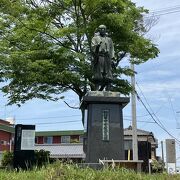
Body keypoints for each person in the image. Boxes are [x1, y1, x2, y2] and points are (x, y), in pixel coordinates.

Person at [91, 25, 114, 91]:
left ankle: (108, 89)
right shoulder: (95, 38)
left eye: (104, 29)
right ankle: (96, 89)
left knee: (108, 73)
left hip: (107, 57)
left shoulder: (109, 39)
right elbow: (93, 47)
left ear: (106, 30)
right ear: (99, 30)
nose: (102, 30)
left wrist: (112, 58)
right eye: (101, 29)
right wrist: (97, 46)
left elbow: (112, 49)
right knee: (98, 72)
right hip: (99, 56)